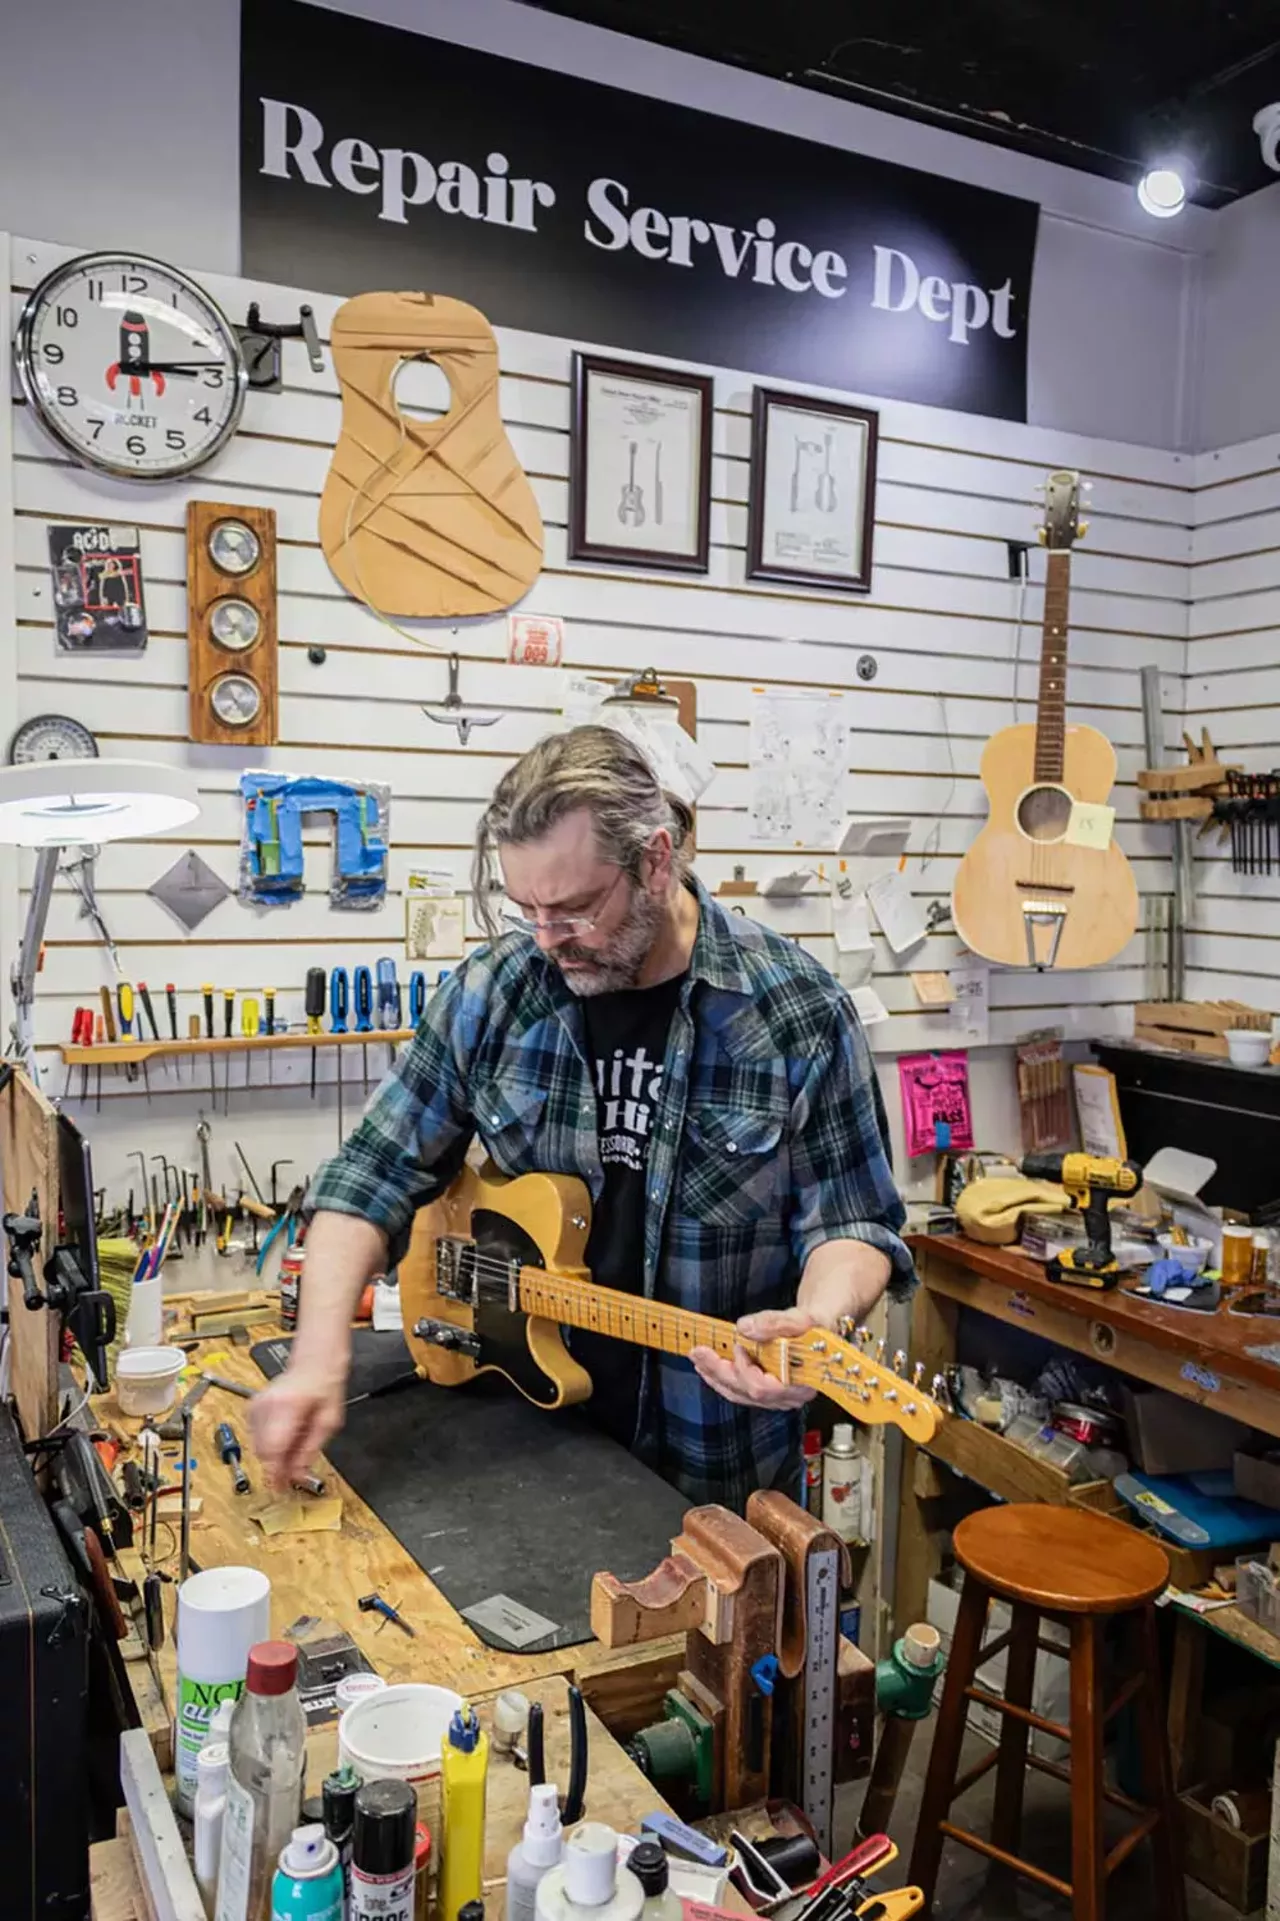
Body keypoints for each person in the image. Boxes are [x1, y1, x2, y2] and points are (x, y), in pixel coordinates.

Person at [251, 724, 914, 1510]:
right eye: (524, 906)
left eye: (571, 909)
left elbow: (855, 1226)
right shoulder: (498, 989)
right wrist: (317, 1353)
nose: (545, 939)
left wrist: (815, 1317)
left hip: (713, 1467)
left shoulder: (797, 1012)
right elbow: (370, 1170)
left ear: (657, 861)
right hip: (518, 1446)